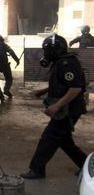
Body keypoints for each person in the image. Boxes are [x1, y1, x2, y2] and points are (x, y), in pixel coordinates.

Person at [21, 34, 87, 179]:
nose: (45, 54)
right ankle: (85, 165)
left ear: (55, 50)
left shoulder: (67, 64)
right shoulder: (60, 62)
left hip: (68, 110)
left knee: (49, 138)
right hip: (66, 109)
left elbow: (75, 88)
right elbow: (62, 84)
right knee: (64, 141)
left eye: (47, 50)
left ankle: (37, 170)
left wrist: (57, 105)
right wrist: (43, 91)